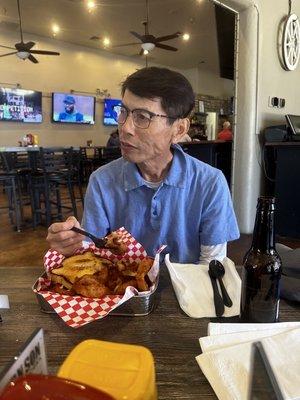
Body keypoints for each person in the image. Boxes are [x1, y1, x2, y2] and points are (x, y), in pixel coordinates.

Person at [47, 67, 239, 263]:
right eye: (123, 112)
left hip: (188, 291)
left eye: (143, 117)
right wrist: (71, 247)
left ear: (179, 129)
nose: (125, 127)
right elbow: (92, 254)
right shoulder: (102, 181)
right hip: (121, 290)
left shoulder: (209, 182)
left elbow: (211, 264)